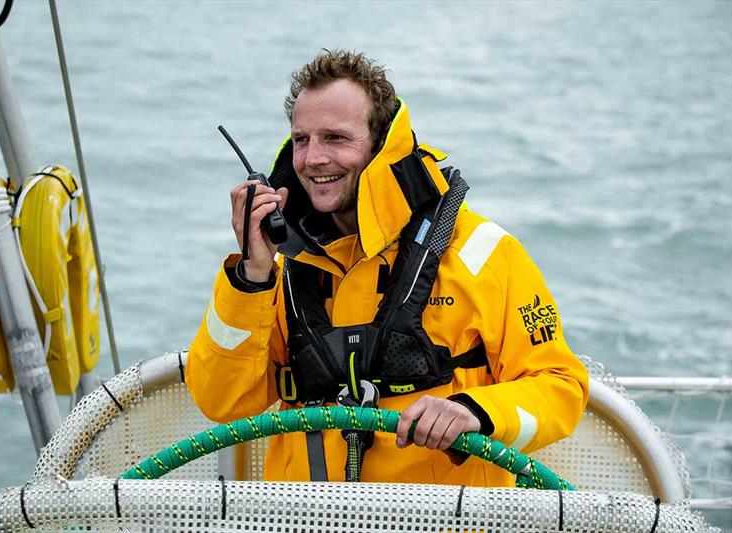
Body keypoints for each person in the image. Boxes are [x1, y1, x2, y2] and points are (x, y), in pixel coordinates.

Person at [187, 49, 589, 486]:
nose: (313, 159)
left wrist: (474, 411)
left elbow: (560, 387)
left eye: (336, 138)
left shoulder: (485, 253)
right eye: (302, 139)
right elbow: (219, 400)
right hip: (303, 518)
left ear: (382, 147)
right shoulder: (277, 271)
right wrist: (252, 274)